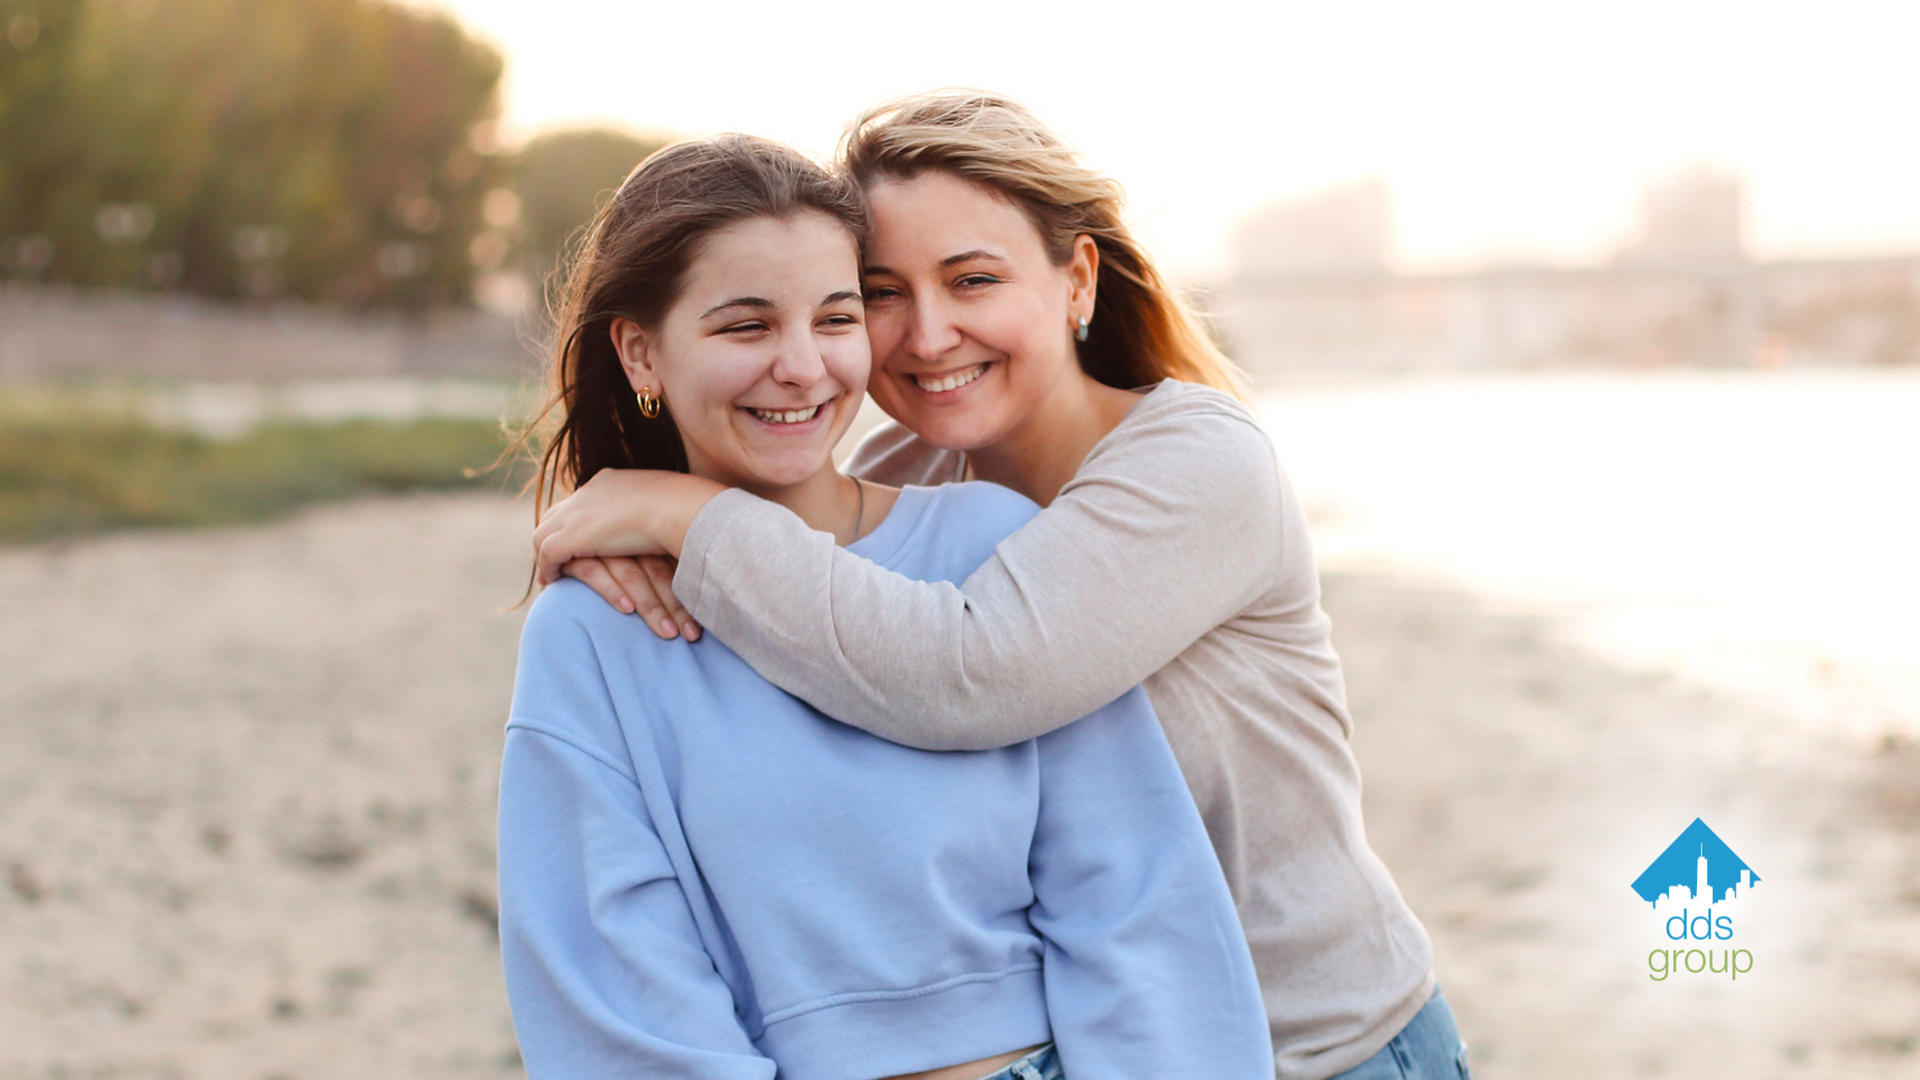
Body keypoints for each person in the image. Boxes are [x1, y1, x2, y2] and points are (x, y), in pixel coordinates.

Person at [531, 93, 1471, 1080]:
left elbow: (973, 672)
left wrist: (687, 517)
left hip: (1323, 1042)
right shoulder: (912, 483)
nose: (928, 334)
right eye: (883, 292)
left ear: (1077, 280)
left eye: (972, 280)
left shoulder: (1198, 461)